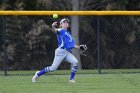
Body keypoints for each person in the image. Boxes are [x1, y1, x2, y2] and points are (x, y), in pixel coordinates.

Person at [32, 18, 80, 83]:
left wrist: (78, 47)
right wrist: (53, 26)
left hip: (66, 52)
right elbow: (54, 31)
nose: (66, 23)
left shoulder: (68, 33)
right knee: (53, 68)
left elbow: (71, 44)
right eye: (64, 22)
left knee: (75, 62)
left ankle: (71, 79)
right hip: (60, 52)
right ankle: (37, 74)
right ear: (61, 25)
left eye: (67, 22)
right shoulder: (60, 30)